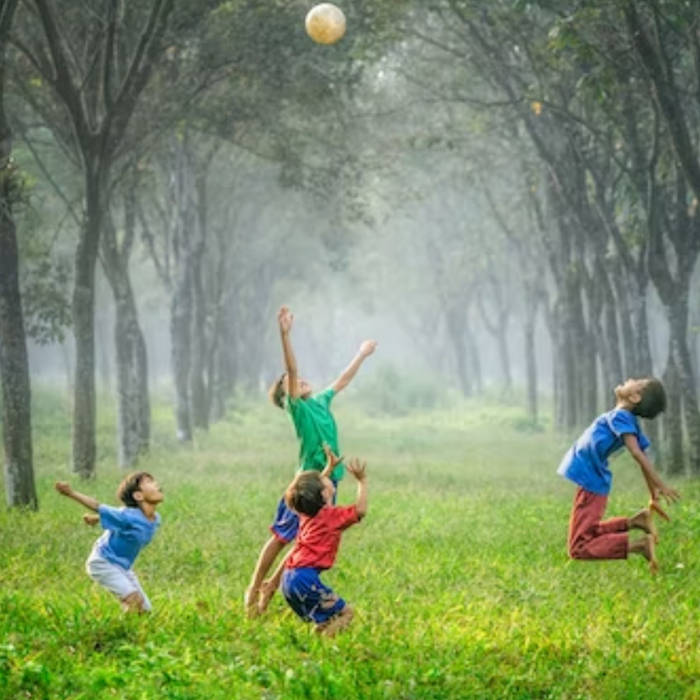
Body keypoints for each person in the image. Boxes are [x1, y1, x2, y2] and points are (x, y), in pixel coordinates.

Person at [244, 305, 377, 618]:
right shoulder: (298, 409)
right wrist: (284, 335)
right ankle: (254, 587)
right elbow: (291, 369)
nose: (300, 380)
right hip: (306, 484)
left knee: (310, 536)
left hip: (329, 480)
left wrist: (361, 354)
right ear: (285, 396)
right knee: (281, 537)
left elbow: (342, 380)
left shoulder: (319, 401)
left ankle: (273, 584)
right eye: (291, 383)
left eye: (300, 380)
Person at [557, 377, 680, 573]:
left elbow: (637, 453)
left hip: (591, 482)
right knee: (589, 532)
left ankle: (639, 546)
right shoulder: (625, 418)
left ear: (635, 397)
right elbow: (642, 455)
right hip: (591, 480)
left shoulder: (621, 417)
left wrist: (660, 484)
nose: (630, 380)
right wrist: (653, 493)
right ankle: (635, 522)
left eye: (636, 382)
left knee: (578, 547)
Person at [279, 446, 367, 637]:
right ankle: (325, 650)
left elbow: (311, 490)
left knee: (326, 619)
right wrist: (362, 482)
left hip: (288, 578)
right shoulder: (331, 517)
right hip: (304, 579)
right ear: (325, 494)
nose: (326, 478)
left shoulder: (305, 511)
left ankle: (313, 647)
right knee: (346, 613)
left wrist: (328, 467)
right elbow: (360, 510)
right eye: (325, 480)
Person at [55, 472, 163, 612]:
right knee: (134, 601)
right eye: (149, 483)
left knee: (145, 610)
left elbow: (119, 517)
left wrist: (97, 518)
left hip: (123, 567)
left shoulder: (155, 519)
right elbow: (98, 506)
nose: (157, 485)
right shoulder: (127, 516)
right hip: (103, 562)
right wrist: (71, 493)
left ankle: (128, 630)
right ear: (138, 496)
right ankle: (120, 632)